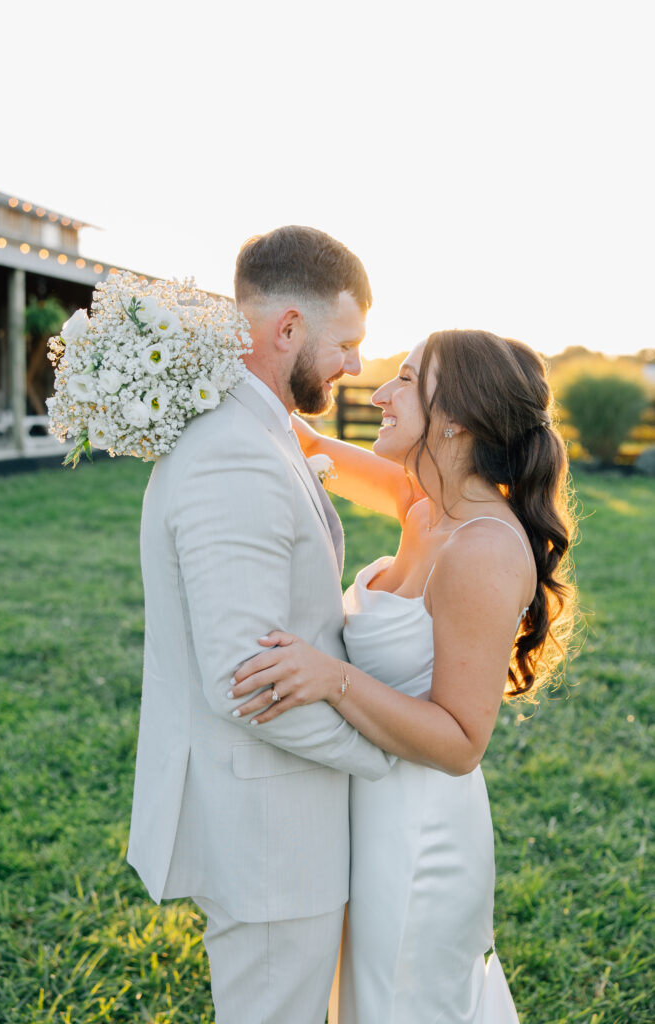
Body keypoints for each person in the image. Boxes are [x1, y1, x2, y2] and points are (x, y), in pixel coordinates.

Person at [230, 329, 577, 1023]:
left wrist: (331, 678)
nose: (380, 393)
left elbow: (460, 742)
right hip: (366, 806)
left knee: (399, 1001)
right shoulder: (425, 505)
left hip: (417, 836)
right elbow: (304, 442)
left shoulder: (481, 546)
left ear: (455, 417)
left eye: (405, 381)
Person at [127, 226, 396, 1024]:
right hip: (271, 836)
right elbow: (246, 682)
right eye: (345, 343)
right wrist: (378, 754)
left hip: (278, 828)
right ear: (286, 330)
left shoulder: (261, 433)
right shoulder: (233, 455)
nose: (354, 366)